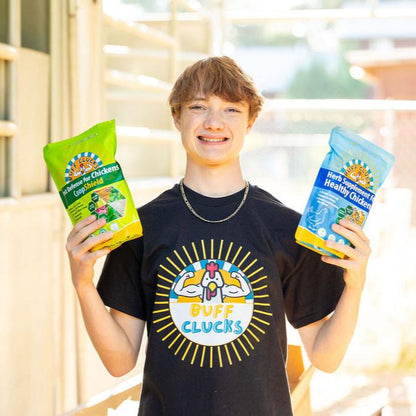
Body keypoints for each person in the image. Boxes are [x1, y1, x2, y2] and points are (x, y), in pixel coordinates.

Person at [66, 56, 371, 415]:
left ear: (251, 120)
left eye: (231, 109)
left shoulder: (285, 228)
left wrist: (355, 284)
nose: (214, 122)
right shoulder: (141, 229)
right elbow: (119, 362)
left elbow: (325, 356)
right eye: (198, 107)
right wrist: (83, 284)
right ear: (176, 117)